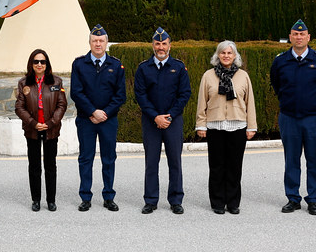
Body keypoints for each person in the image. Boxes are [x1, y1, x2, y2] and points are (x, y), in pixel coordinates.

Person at [269, 19, 316, 216]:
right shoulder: (280, 61)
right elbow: (276, 85)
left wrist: (313, 102)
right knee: (291, 159)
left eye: (302, 34)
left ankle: (313, 199)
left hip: (314, 118)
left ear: (308, 37)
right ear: (290, 37)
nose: (299, 37)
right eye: (295, 34)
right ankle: (293, 198)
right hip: (289, 118)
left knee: (314, 159)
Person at [133, 27, 191, 215]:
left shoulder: (179, 67)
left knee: (175, 162)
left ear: (169, 46)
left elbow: (184, 94)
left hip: (173, 122)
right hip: (151, 122)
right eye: (157, 44)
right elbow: (140, 95)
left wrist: (169, 116)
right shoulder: (143, 68)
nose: (160, 47)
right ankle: (150, 200)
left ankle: (176, 200)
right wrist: (155, 116)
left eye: (164, 44)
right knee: (151, 162)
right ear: (153, 46)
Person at [195, 41, 257, 214]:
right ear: (217, 55)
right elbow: (202, 102)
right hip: (215, 126)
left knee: (234, 166)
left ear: (235, 56)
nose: (226, 56)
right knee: (216, 166)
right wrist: (201, 124)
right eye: (223, 53)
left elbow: (249, 102)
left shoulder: (243, 76)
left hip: (237, 126)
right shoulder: (208, 76)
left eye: (230, 53)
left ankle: (233, 202)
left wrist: (251, 126)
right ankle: (217, 202)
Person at [70, 24, 127, 212]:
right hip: (86, 120)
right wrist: (93, 112)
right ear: (89, 42)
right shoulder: (79, 64)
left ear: (106, 43)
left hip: (108, 120)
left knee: (108, 158)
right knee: (86, 158)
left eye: (101, 40)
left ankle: (108, 196)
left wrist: (105, 113)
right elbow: (76, 92)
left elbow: (120, 95)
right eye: (94, 40)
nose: (98, 44)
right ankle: (85, 197)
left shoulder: (116, 65)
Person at [14, 49, 67, 212]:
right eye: (36, 61)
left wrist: (51, 123)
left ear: (47, 64)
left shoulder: (56, 82)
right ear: (31, 63)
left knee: (50, 166)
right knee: (34, 166)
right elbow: (19, 107)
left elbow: (62, 105)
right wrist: (32, 123)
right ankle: (35, 200)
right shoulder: (24, 83)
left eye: (42, 62)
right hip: (33, 130)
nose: (39, 64)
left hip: (51, 129)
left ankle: (51, 200)